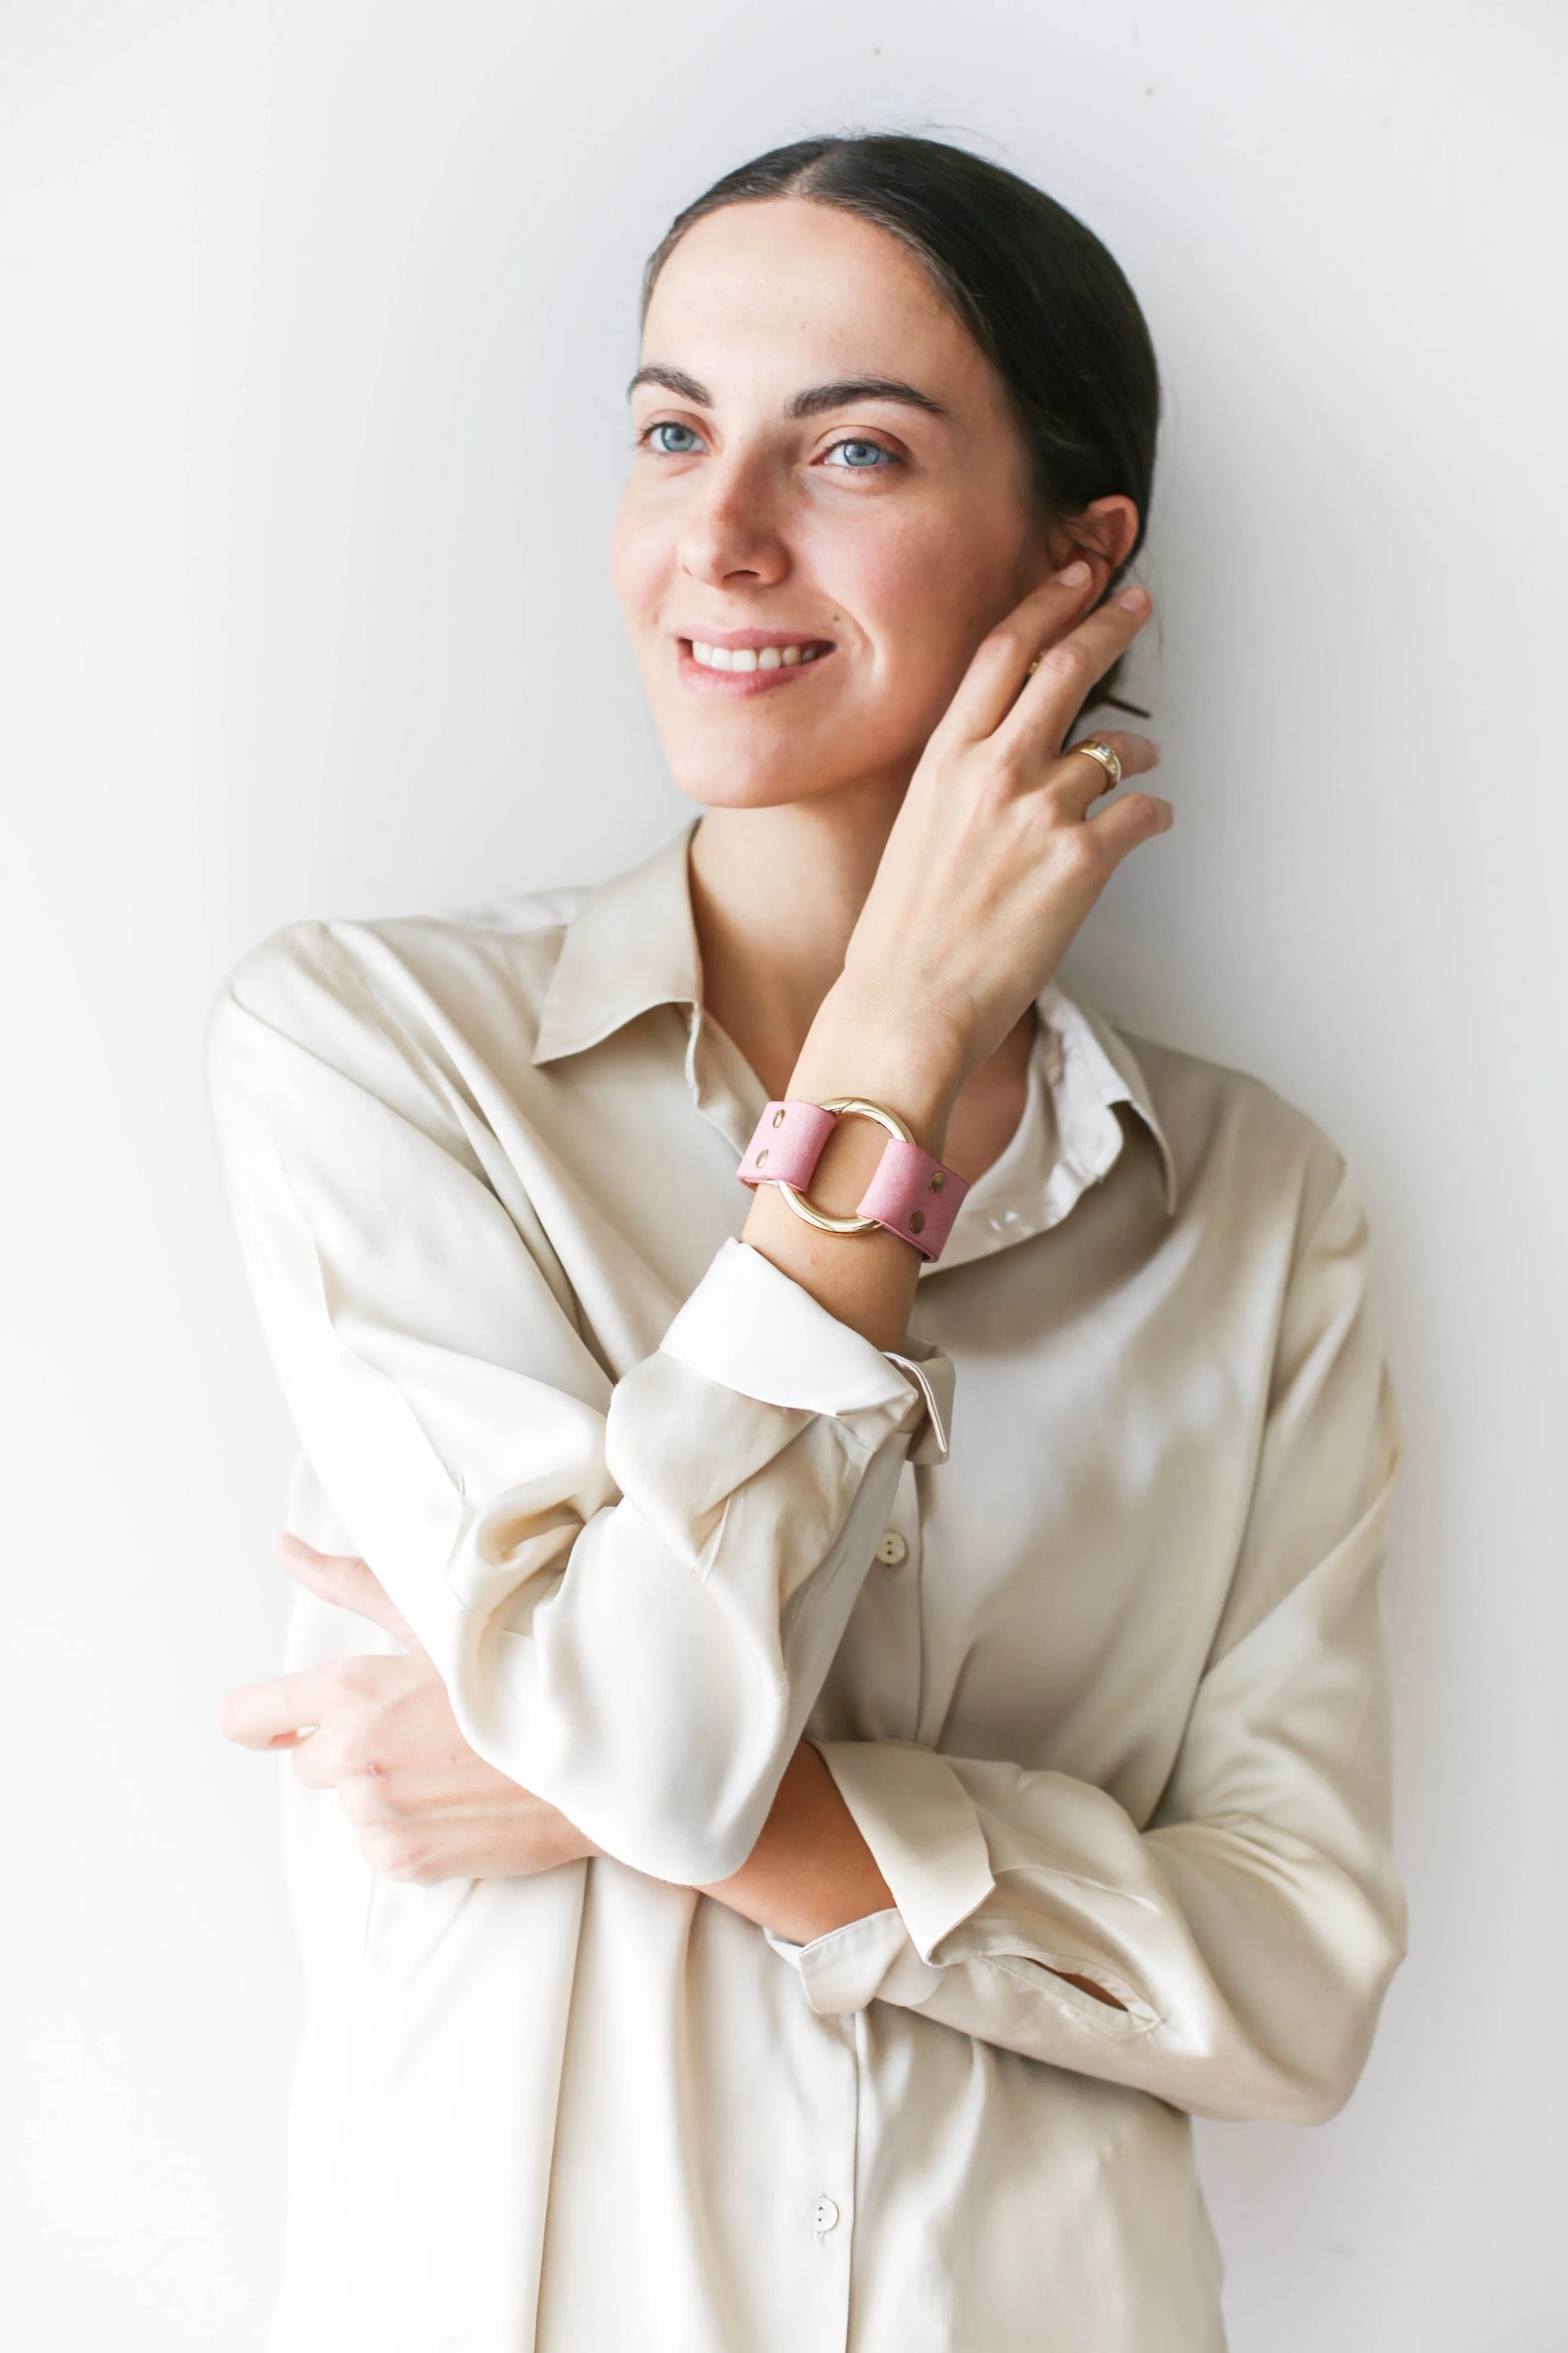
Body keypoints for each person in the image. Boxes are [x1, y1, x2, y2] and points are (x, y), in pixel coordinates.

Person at [209, 134, 1406, 2353]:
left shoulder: (1253, 1211)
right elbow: (652, 1744)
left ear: (1079, 556)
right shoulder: (379, 1058)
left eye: (849, 446)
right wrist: (892, 1057)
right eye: (673, 431)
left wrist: (684, 1802)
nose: (720, 536)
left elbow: (1296, 1985)